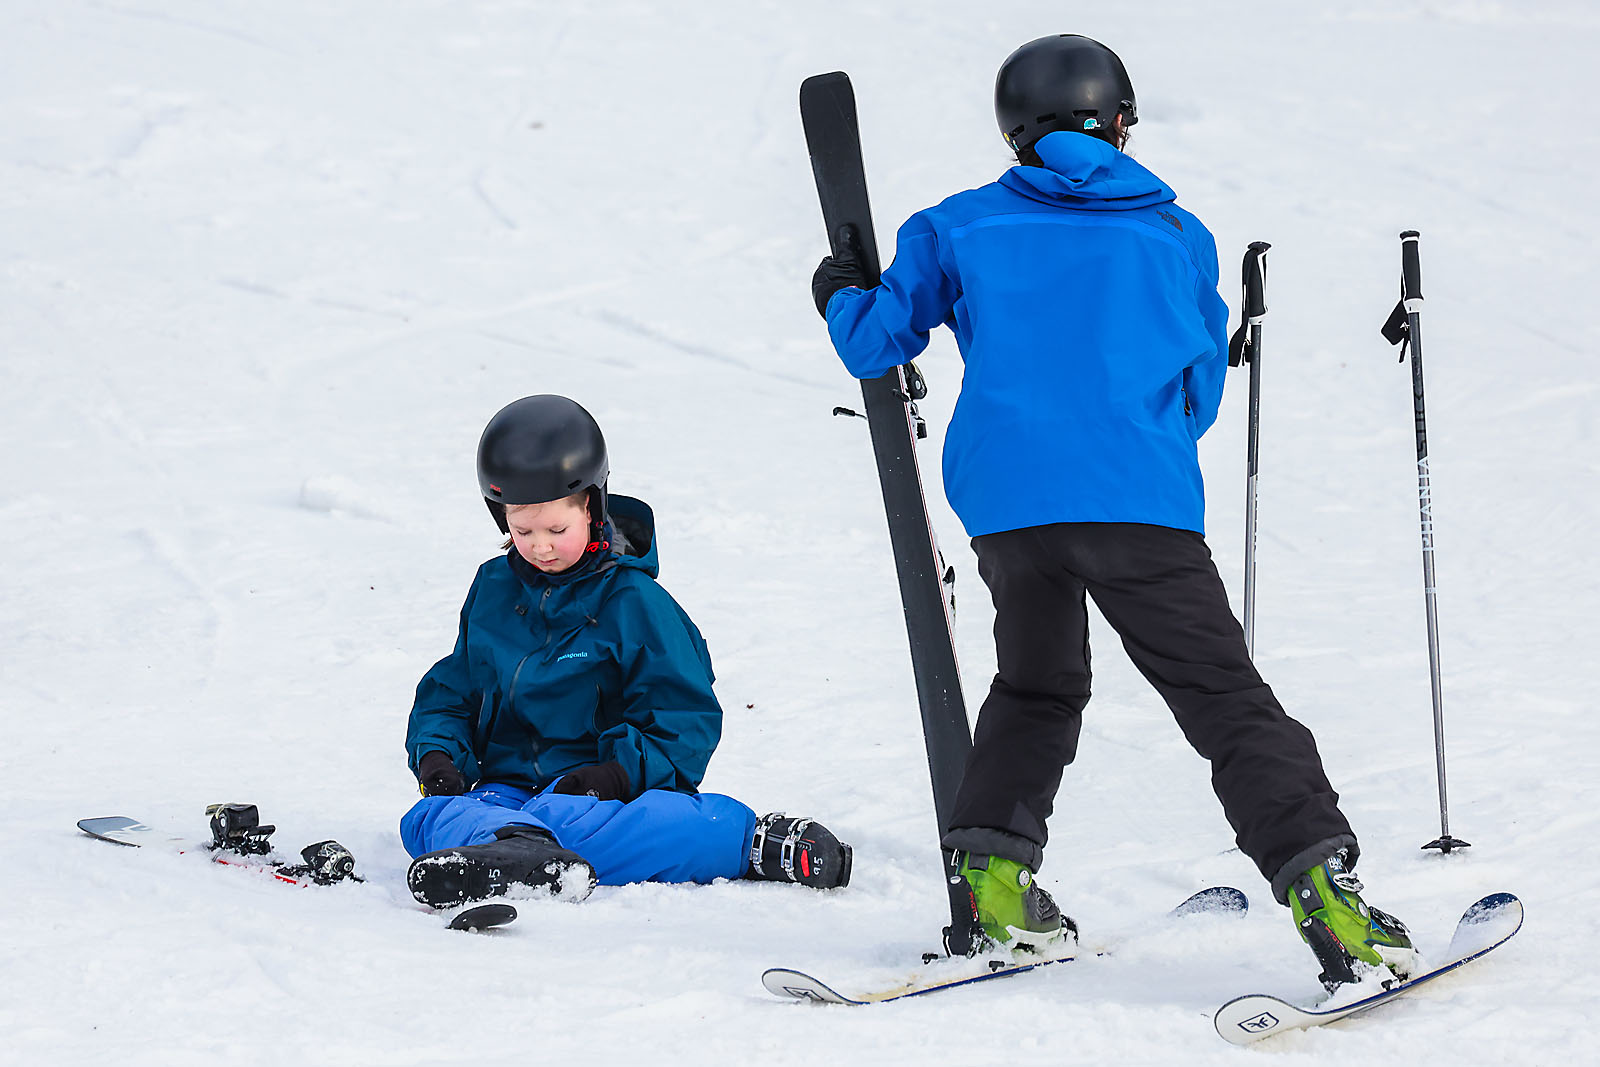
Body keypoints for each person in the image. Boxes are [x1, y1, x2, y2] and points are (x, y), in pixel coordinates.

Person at [810, 34, 1414, 988]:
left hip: (1010, 508)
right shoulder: (1177, 234)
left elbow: (877, 341)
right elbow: (1198, 390)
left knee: (1037, 685)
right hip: (1139, 502)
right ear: (1119, 122)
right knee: (1221, 697)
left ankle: (996, 892)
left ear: (1015, 131)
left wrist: (841, 293)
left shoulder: (958, 224)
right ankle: (1332, 905)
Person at [401, 394, 851, 908]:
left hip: (596, 800)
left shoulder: (635, 603)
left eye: (556, 529)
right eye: (522, 531)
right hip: (503, 796)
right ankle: (518, 852)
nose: (540, 546)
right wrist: (438, 753)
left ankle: (744, 840)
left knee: (604, 827)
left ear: (591, 507)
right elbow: (454, 688)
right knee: (424, 820)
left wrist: (616, 773)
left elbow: (685, 719)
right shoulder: (492, 589)